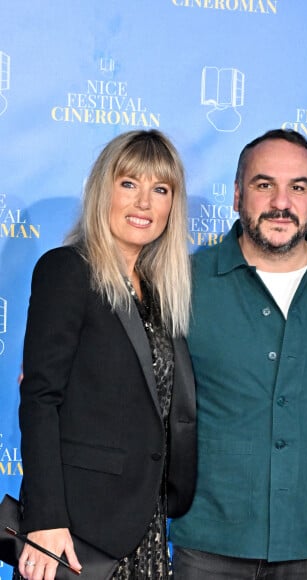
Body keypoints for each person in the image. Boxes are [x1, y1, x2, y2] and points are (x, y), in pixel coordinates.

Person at [170, 128, 307, 579]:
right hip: (207, 545)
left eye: (298, 187)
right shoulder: (183, 281)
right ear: (238, 194)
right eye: (264, 185)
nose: (282, 202)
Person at [15, 130, 197, 579]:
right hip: (76, 528)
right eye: (129, 183)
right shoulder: (68, 270)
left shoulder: (158, 292)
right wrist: (46, 519)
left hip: (145, 524)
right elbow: (40, 399)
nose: (144, 203)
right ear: (104, 190)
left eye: (160, 189)